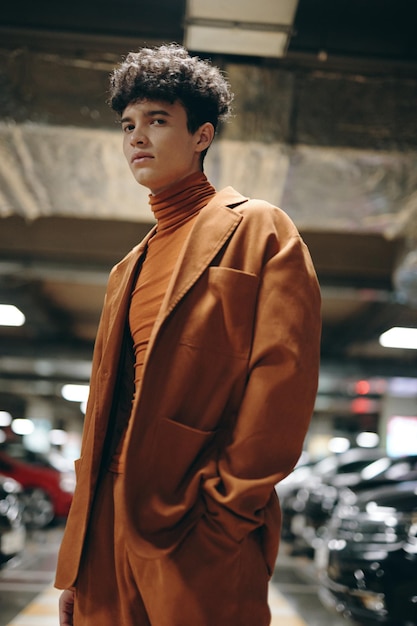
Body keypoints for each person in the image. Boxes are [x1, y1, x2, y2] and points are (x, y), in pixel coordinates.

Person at [56, 43, 321, 626]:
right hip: (105, 528)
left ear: (202, 135)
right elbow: (102, 414)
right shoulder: (128, 267)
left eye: (157, 120)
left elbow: (283, 381)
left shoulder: (258, 230)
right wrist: (76, 560)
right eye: (128, 125)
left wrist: (226, 514)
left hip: (197, 526)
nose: (137, 138)